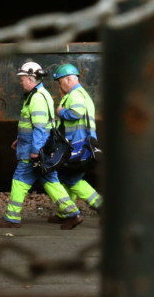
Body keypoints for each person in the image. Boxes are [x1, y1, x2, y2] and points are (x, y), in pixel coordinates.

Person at [0, 61, 84, 230]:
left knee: (19, 181)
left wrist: (35, 151)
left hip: (33, 150)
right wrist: (20, 138)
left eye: (22, 78)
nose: (20, 82)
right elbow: (34, 125)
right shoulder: (39, 95)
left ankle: (12, 218)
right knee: (51, 181)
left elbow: (40, 128)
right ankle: (73, 214)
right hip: (36, 147)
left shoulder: (37, 98)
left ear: (30, 78)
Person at [48, 63, 103, 224]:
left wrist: (61, 112)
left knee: (71, 179)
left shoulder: (76, 94)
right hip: (83, 143)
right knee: (67, 176)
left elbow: (76, 113)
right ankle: (65, 213)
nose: (59, 86)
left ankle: (101, 206)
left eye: (60, 82)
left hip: (79, 144)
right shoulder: (83, 94)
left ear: (68, 79)